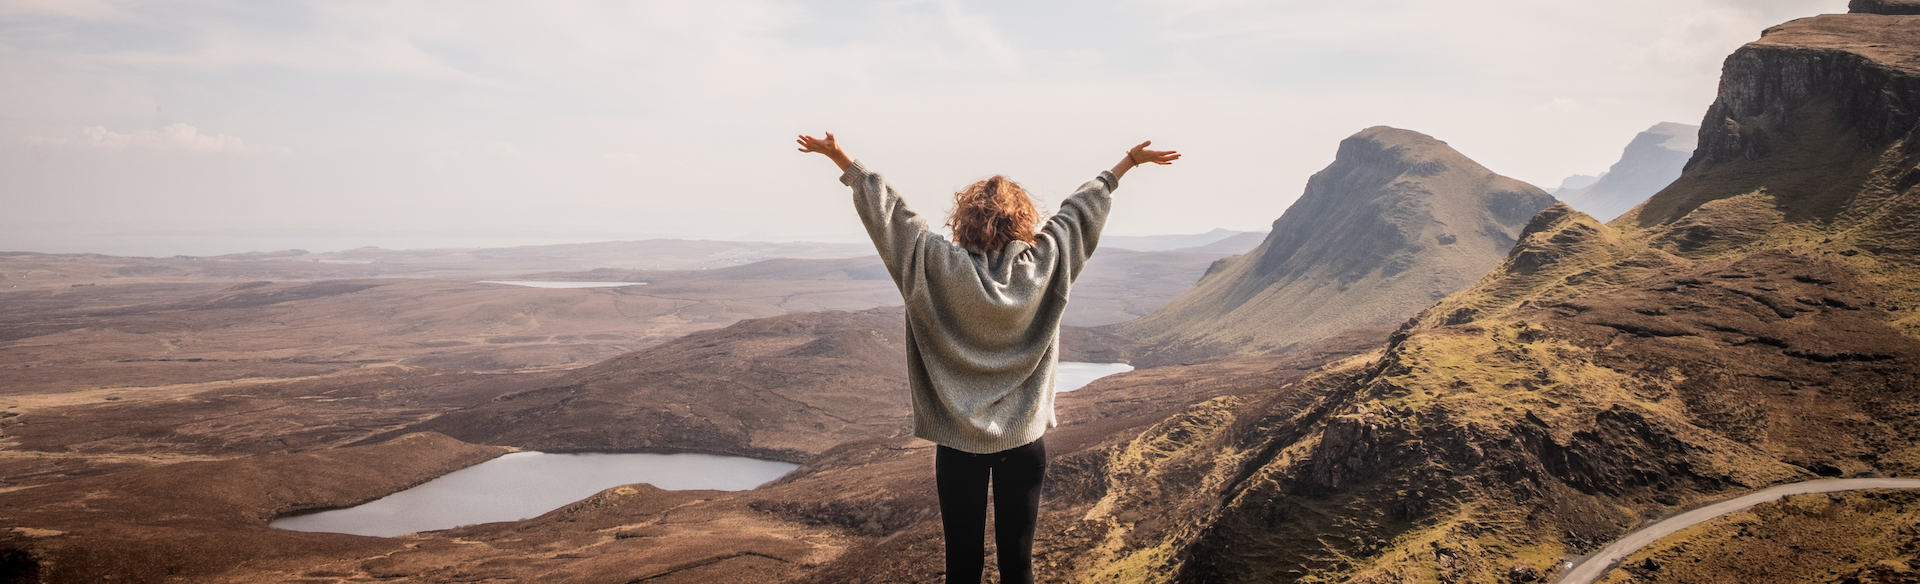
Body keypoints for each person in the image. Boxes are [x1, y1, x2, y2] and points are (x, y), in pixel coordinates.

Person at [796, 132, 1179, 584]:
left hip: (958, 446)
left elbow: (892, 217)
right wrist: (1126, 164)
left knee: (963, 565)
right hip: (1023, 443)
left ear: (963, 219)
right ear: (1023, 220)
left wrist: (843, 159)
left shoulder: (933, 263)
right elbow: (1077, 214)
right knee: (1018, 564)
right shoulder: (1046, 263)